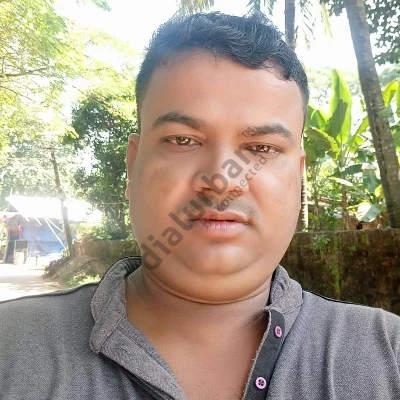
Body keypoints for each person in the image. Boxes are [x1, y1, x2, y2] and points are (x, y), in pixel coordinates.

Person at [0, 12, 399, 400]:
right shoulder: (11, 348)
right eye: (183, 140)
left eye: (261, 148)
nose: (222, 178)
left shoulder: (388, 357)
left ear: (298, 175)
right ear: (133, 165)